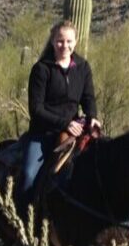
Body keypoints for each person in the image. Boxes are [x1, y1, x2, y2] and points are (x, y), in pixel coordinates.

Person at [17, 20, 101, 205]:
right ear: (53, 41)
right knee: (28, 175)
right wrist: (64, 123)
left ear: (76, 41)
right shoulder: (41, 69)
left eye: (69, 41)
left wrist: (92, 116)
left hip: (73, 132)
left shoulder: (83, 67)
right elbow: (36, 109)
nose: (65, 46)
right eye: (60, 41)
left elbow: (88, 97)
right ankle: (23, 220)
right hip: (43, 133)